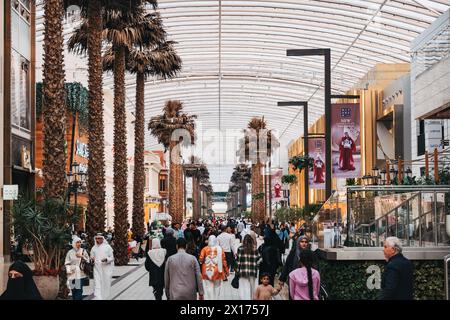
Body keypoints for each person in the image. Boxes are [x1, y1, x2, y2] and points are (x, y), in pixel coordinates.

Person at [199, 235, 228, 300]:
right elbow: (223, 260)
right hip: (217, 270)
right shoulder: (220, 249)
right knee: (217, 286)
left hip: (206, 270)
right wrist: (226, 270)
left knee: (209, 286)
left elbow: (201, 259)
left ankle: (211, 298)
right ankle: (216, 298)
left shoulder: (205, 249)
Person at [235, 235, 261, 300]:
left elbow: (238, 262)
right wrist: (256, 265)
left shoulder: (240, 249)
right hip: (253, 271)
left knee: (244, 287)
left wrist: (237, 270)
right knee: (252, 287)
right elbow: (260, 259)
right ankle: (252, 298)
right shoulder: (255, 249)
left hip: (243, 271)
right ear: (251, 241)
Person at [90, 233, 114, 300]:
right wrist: (92, 259)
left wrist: (106, 259)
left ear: (103, 239)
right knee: (97, 284)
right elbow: (91, 257)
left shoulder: (108, 247)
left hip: (106, 269)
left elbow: (112, 258)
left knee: (105, 284)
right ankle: (98, 298)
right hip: (97, 268)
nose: (98, 240)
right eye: (97, 238)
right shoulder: (93, 248)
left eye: (100, 238)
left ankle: (105, 297)